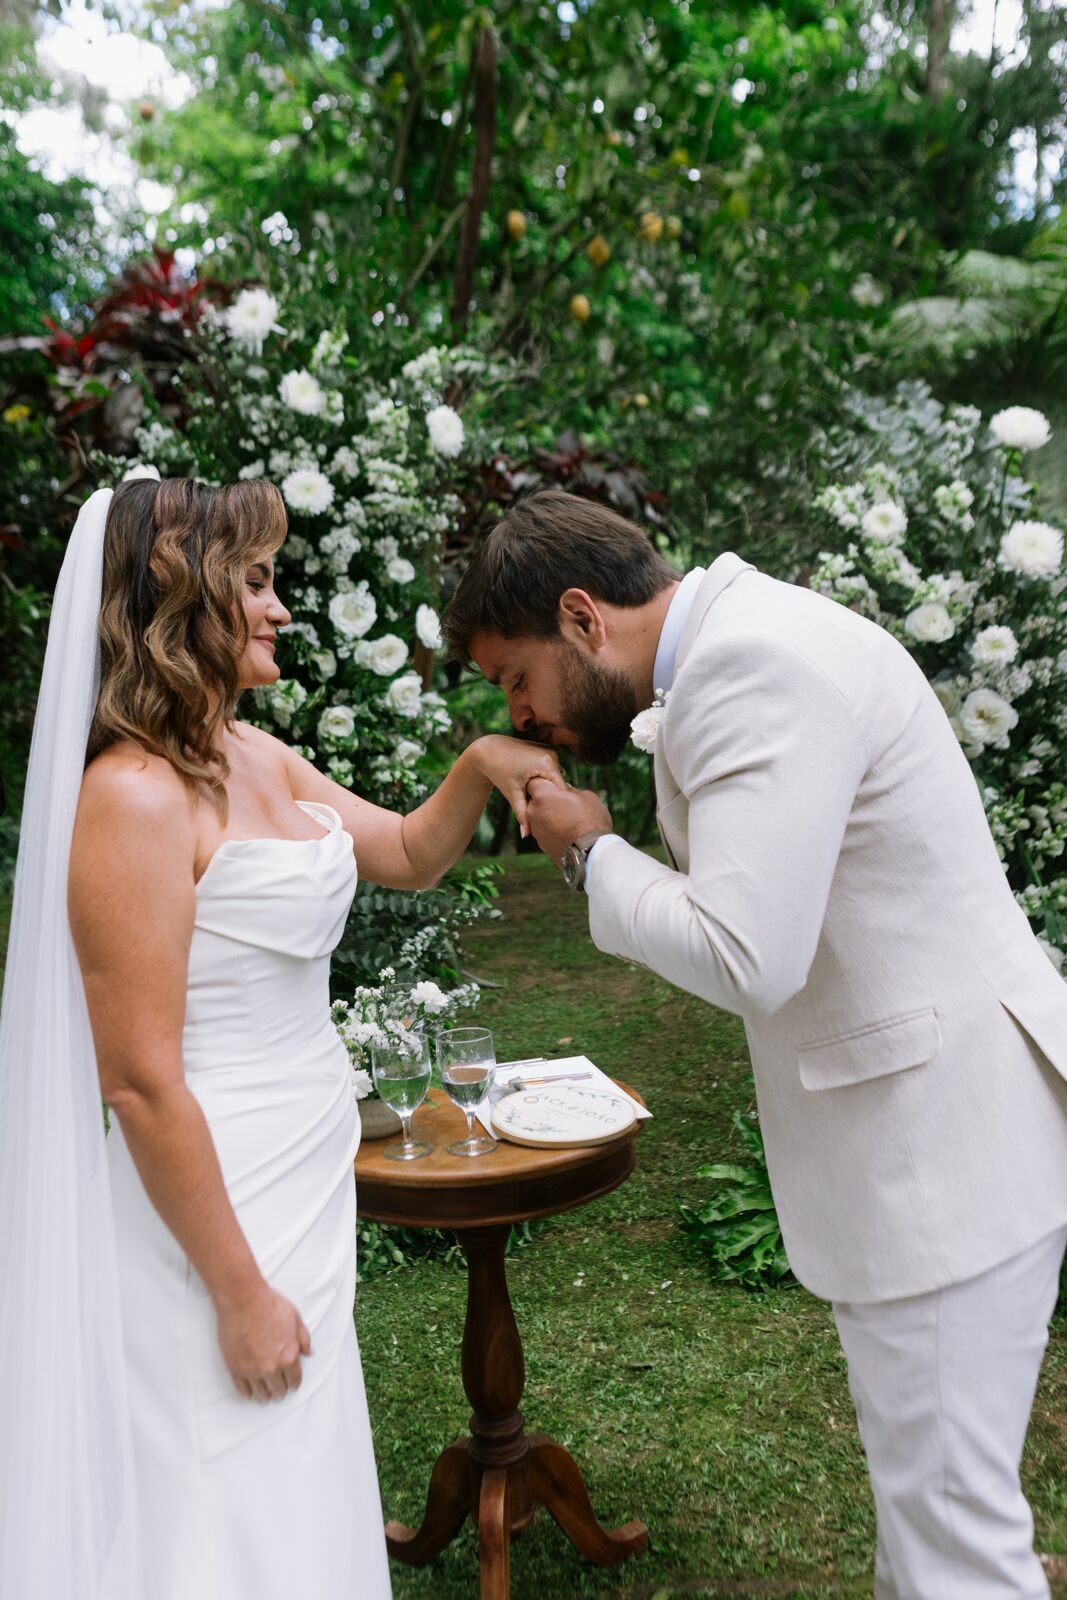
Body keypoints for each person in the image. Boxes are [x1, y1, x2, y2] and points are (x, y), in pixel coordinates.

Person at [443, 487, 1067, 1600]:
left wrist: (593, 850)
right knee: (937, 1516)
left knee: (954, 1544)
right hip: (944, 1130)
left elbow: (745, 953)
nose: (525, 713)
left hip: (943, 1151)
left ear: (582, 617)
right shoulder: (740, 640)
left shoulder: (748, 665)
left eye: (514, 679)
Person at [0, 477, 564, 1600]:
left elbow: (402, 853)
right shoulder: (134, 799)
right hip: (210, 1210)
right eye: (256, 581)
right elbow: (142, 1081)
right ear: (181, 594)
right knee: (223, 1495)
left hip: (300, 1185)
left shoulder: (251, 753)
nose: (279, 606)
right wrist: (237, 1292)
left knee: (296, 1471)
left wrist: (481, 765)